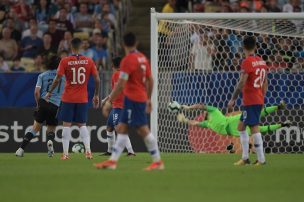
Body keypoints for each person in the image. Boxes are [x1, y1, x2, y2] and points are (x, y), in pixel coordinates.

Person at [94, 32, 163, 170]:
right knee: (121, 128)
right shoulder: (143, 58)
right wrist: (148, 98)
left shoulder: (127, 60)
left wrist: (108, 102)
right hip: (137, 99)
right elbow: (151, 80)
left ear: (123, 44)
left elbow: (120, 85)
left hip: (134, 100)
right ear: (136, 43)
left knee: (143, 130)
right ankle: (112, 161)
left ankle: (157, 161)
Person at [45, 38, 100, 160]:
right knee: (82, 125)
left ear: (71, 47)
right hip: (82, 98)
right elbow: (97, 79)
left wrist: (49, 92)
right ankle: (88, 152)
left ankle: (65, 154)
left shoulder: (65, 61)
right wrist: (96, 94)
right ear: (81, 47)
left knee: (66, 125)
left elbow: (57, 79)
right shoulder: (89, 61)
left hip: (68, 98)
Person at [227, 36, 268, 166]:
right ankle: (245, 158)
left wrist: (233, 99)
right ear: (255, 46)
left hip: (251, 100)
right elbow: (265, 82)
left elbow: (242, 82)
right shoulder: (262, 61)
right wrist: (262, 97)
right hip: (257, 99)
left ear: (243, 47)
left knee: (254, 127)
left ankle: (261, 159)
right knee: (241, 126)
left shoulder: (247, 62)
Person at [16, 56, 65, 157]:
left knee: (35, 129)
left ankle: (20, 149)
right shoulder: (63, 77)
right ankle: (50, 145)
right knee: (51, 129)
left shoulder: (42, 75)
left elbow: (36, 92)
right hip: (56, 105)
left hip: (43, 103)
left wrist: (38, 105)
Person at [177, 102, 290, 137]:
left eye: (204, 110)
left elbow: (200, 106)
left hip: (233, 121)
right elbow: (196, 123)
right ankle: (283, 125)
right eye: (204, 111)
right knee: (259, 129)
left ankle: (278, 107)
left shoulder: (214, 110)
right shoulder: (207, 123)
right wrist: (185, 120)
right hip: (234, 131)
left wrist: (188, 107)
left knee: (257, 114)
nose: (204, 110)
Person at [101, 56, 135, 156]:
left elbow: (117, 89)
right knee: (109, 127)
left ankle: (130, 151)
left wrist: (107, 101)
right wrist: (107, 99)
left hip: (120, 105)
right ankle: (110, 151)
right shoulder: (124, 74)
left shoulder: (116, 74)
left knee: (118, 128)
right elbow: (116, 89)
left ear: (112, 64)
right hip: (118, 105)